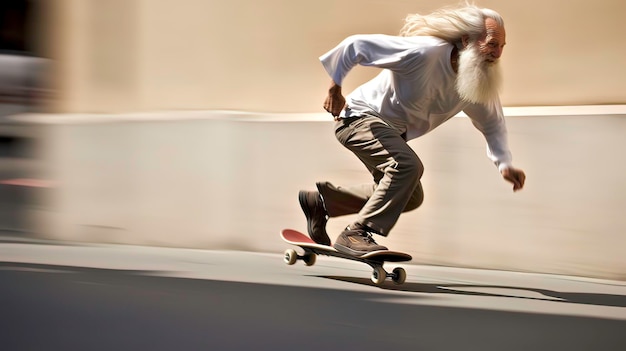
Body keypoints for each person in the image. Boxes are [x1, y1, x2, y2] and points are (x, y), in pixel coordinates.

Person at [298, 3, 526, 256]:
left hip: (390, 133)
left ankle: (322, 202)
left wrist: (504, 164)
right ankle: (356, 232)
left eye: (502, 46)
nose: (497, 54)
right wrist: (334, 89)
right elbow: (355, 45)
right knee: (407, 166)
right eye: (492, 44)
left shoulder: (477, 82)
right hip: (358, 119)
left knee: (411, 196)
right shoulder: (424, 53)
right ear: (466, 41)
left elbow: (492, 124)